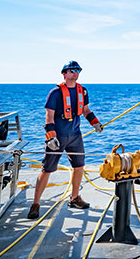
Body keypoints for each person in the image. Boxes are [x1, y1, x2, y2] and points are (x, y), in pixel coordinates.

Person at [27, 60, 103, 219]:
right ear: (64, 73)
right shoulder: (55, 93)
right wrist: (51, 137)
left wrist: (95, 123)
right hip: (58, 136)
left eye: (78, 70)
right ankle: (35, 204)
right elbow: (49, 116)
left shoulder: (83, 91)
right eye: (72, 70)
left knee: (79, 166)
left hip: (75, 135)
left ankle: (74, 198)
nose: (75, 73)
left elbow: (85, 110)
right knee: (47, 169)